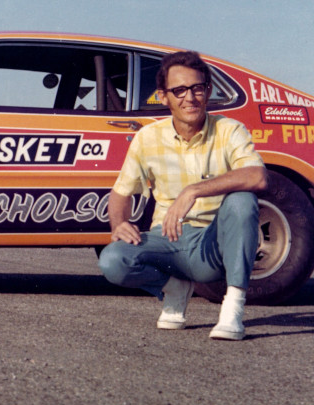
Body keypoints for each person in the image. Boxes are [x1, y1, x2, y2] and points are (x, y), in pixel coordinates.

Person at [98, 50, 268, 340]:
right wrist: (118, 223)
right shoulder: (147, 138)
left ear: (208, 91)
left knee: (243, 199)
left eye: (197, 88)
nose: (189, 98)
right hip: (168, 241)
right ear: (163, 97)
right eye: (179, 90)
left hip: (213, 244)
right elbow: (120, 194)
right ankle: (173, 288)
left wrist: (193, 191)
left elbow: (257, 176)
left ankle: (233, 310)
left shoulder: (229, 130)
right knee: (113, 260)